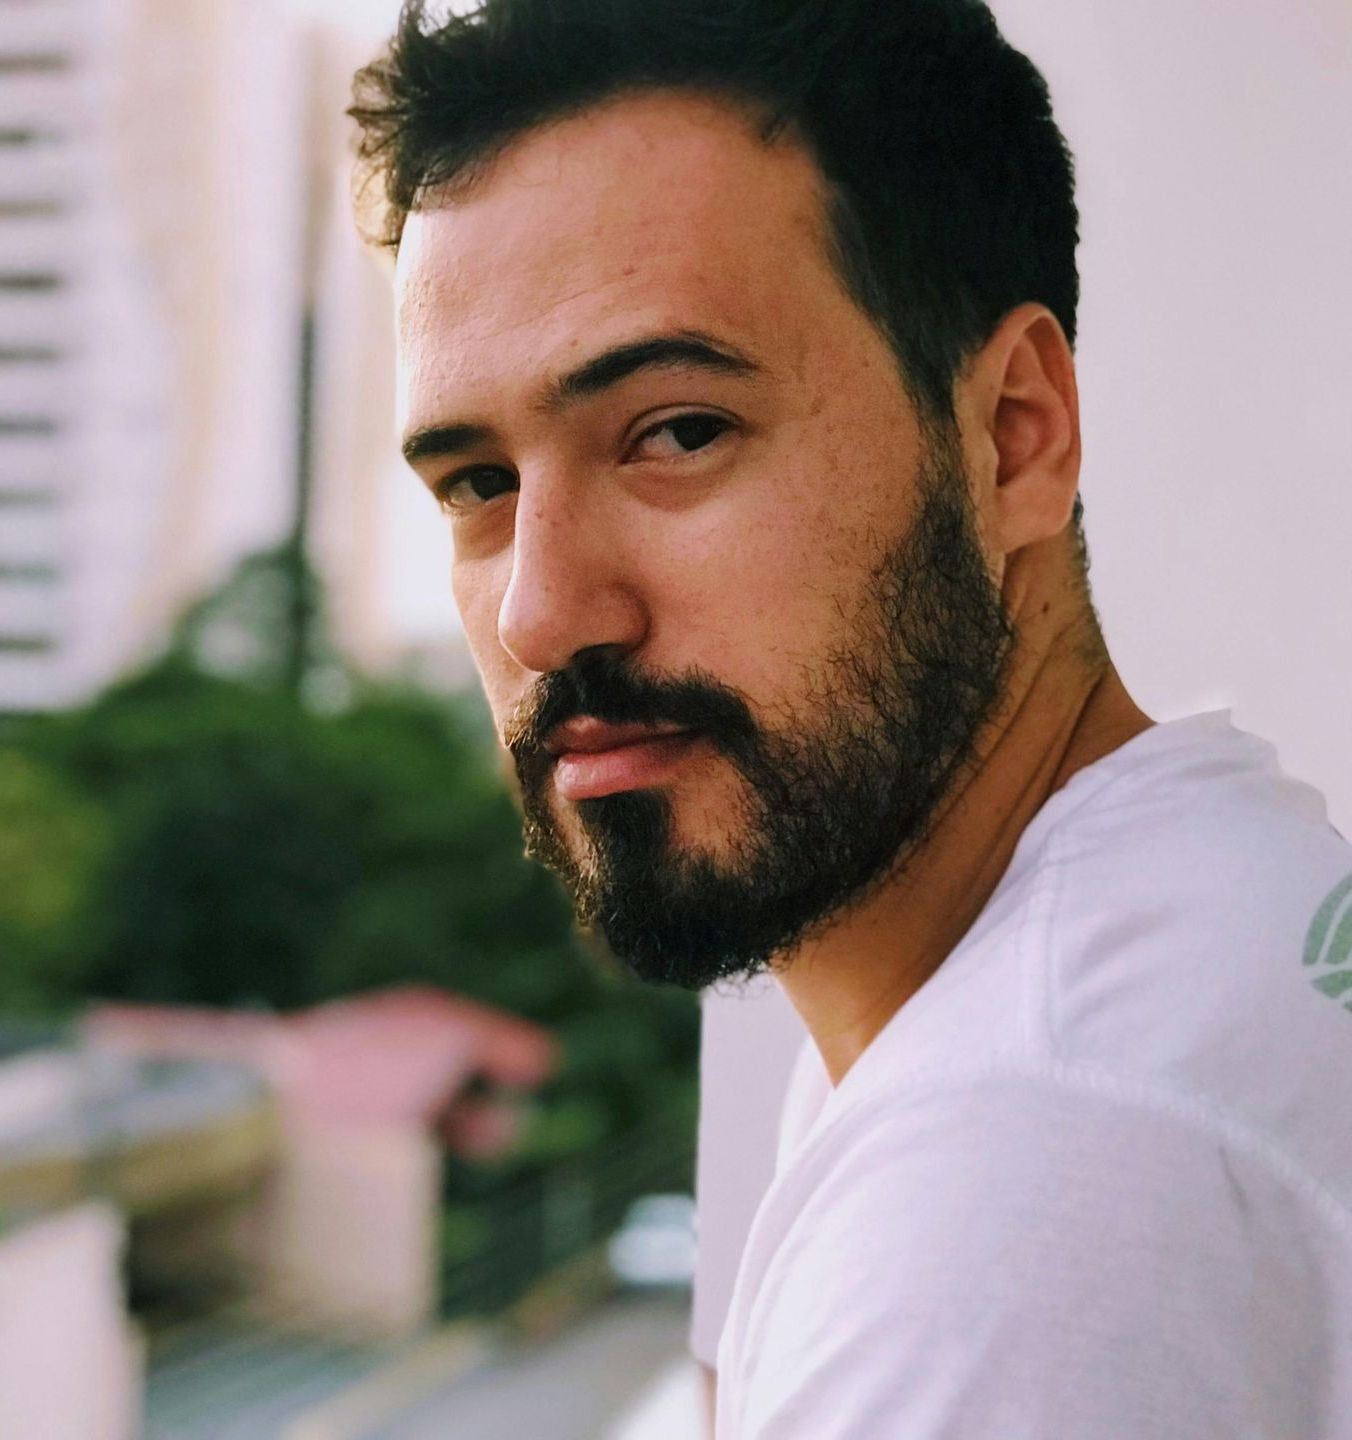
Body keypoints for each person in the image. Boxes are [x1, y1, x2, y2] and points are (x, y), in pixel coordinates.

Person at [350, 1, 1352, 1433]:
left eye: (678, 432)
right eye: (475, 485)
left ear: (1017, 434)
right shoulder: (1207, 898)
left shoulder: (1030, 1174)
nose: (540, 615)